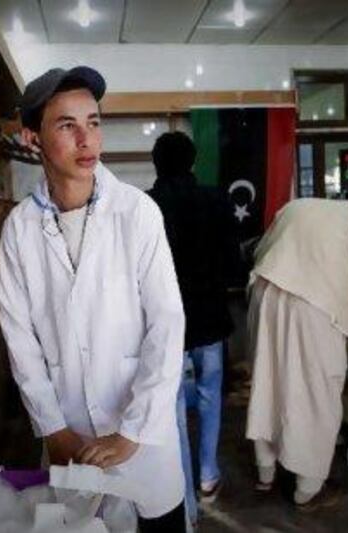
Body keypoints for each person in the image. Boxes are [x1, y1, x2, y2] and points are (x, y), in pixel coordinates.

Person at [0, 66, 186, 531]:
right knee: (85, 524)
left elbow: (167, 323)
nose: (87, 139)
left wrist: (132, 432)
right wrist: (55, 430)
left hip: (144, 441)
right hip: (70, 436)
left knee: (156, 521)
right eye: (67, 125)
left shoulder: (137, 213)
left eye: (94, 122)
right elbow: (20, 339)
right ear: (32, 138)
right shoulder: (20, 229)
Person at [246, 179, 348, 508]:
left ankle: (266, 471)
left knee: (269, 383)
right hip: (314, 312)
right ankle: (308, 488)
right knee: (317, 394)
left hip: (266, 299)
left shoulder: (297, 206)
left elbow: (261, 251)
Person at [148, 132, 239, 523]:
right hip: (210, 318)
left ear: (156, 163)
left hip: (166, 326)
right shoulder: (217, 199)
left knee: (172, 410)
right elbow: (233, 261)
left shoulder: (145, 205)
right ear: (192, 161)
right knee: (209, 396)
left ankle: (184, 500)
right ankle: (208, 474)